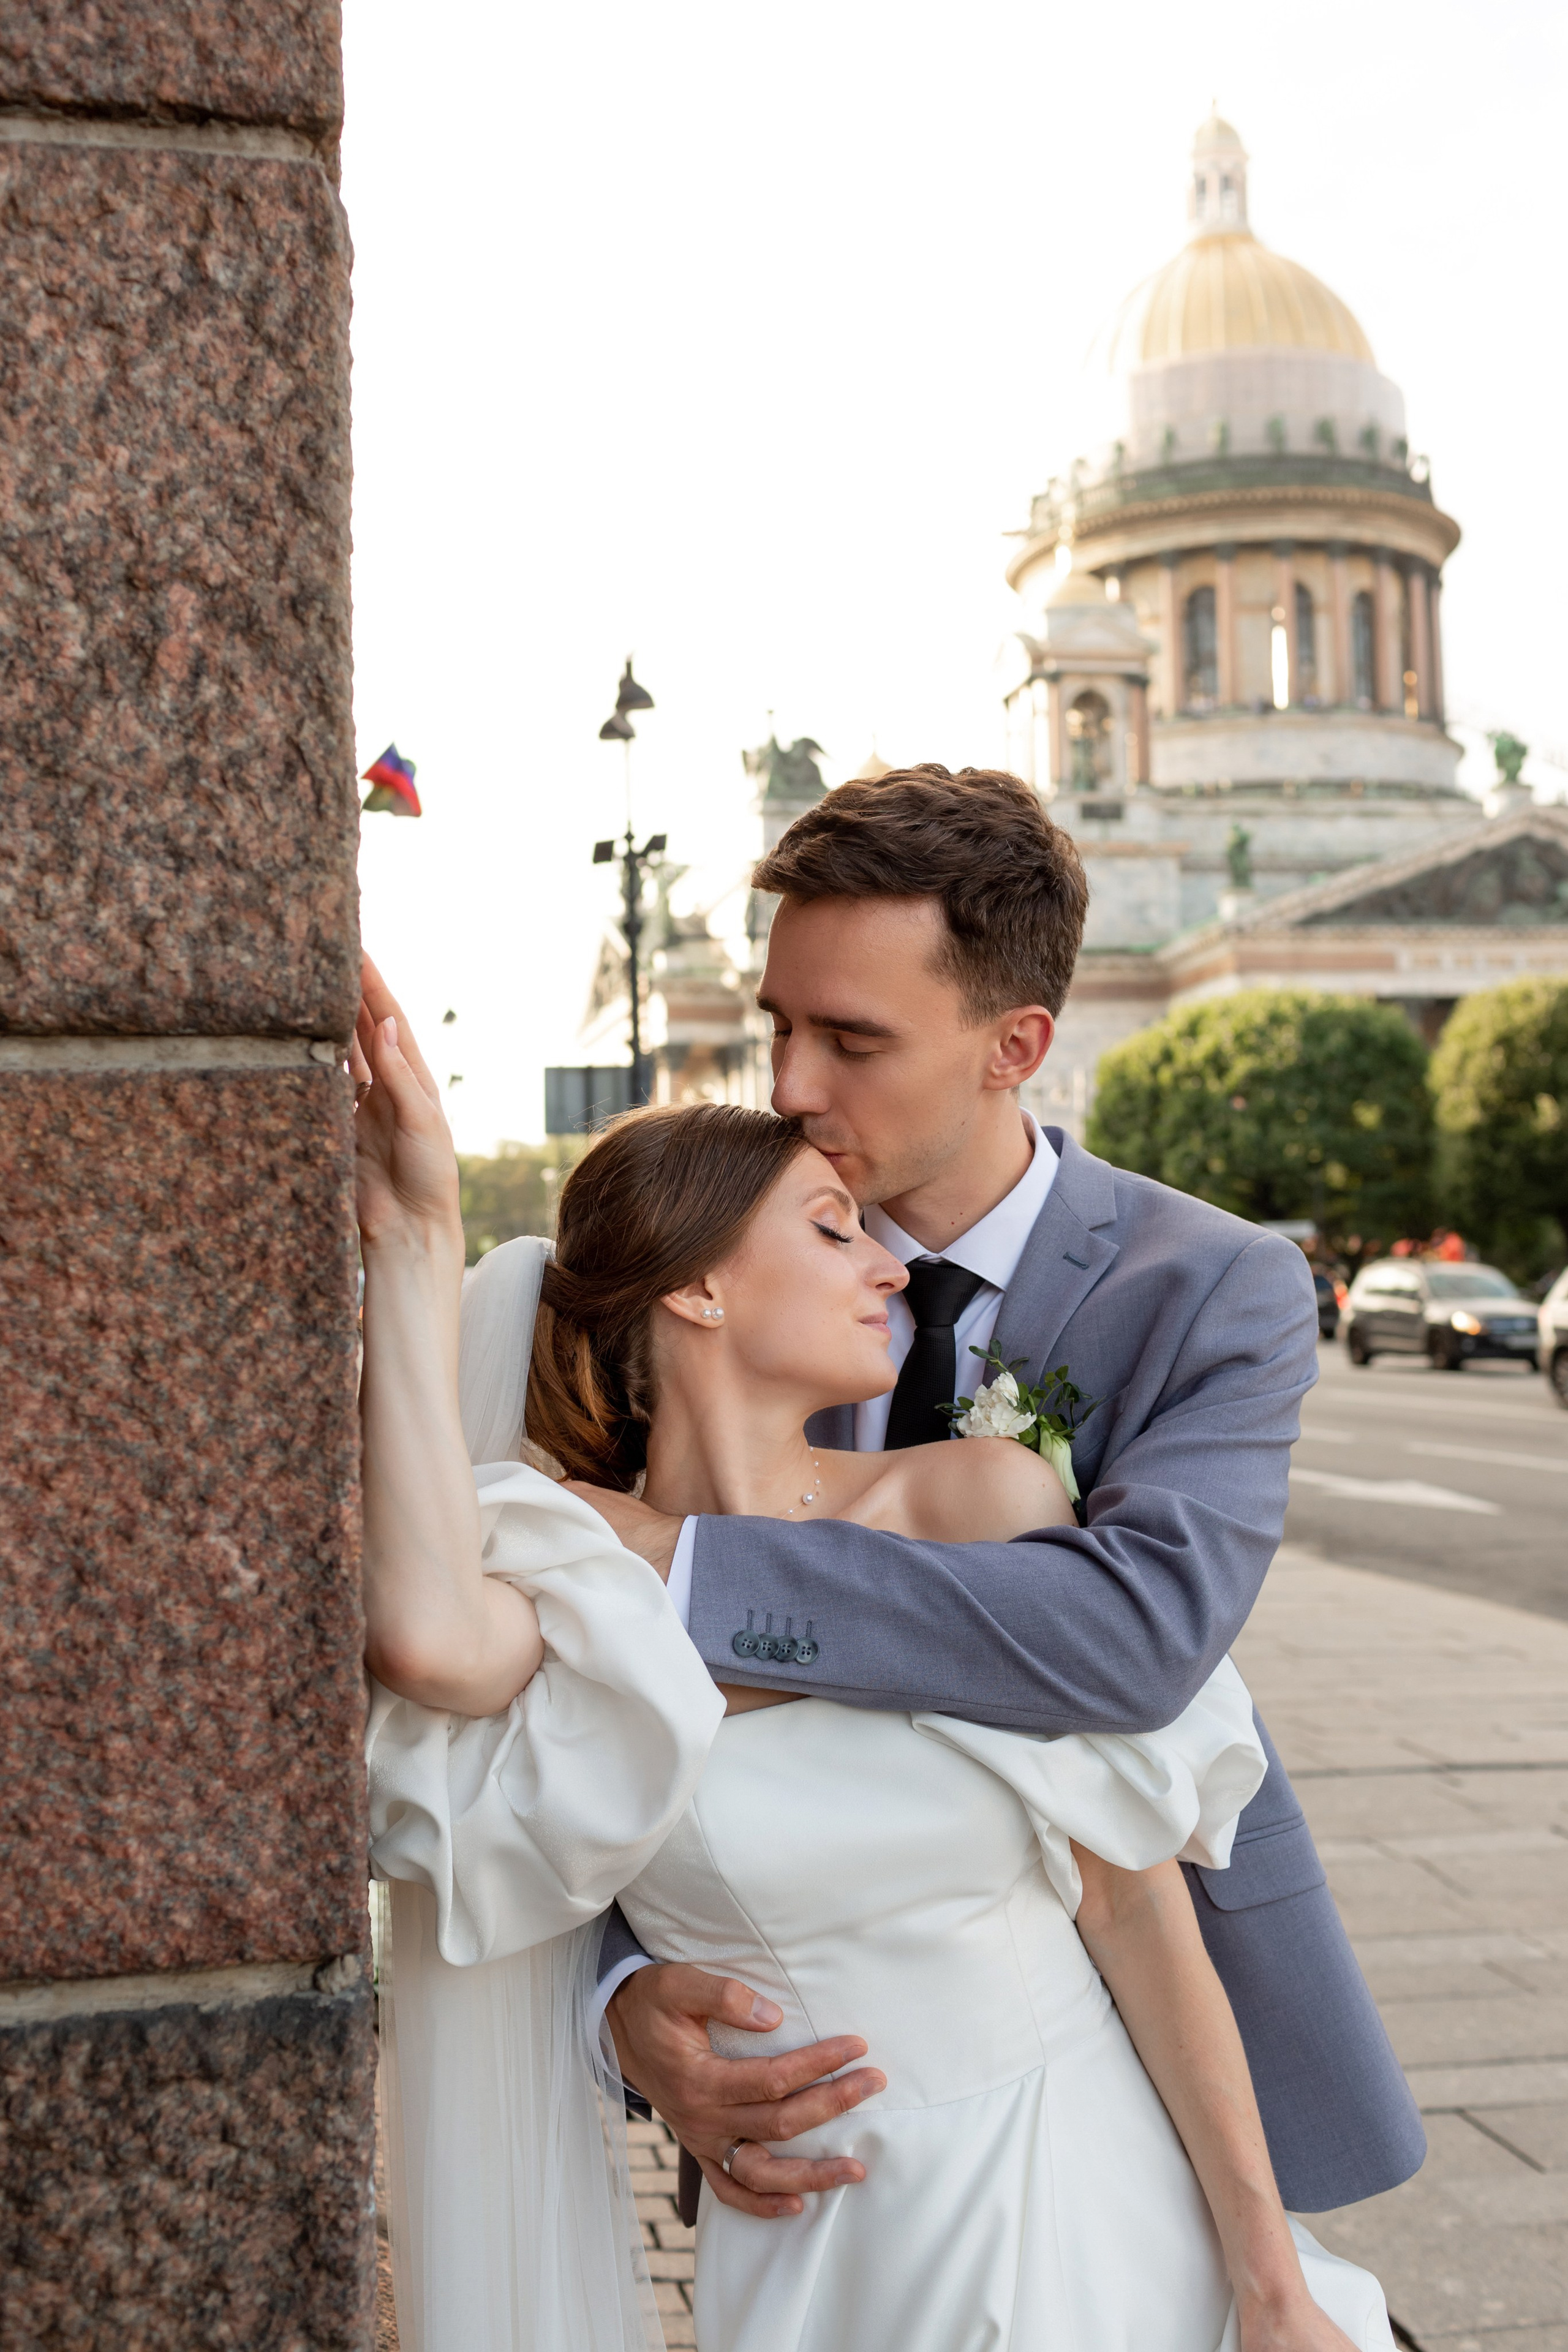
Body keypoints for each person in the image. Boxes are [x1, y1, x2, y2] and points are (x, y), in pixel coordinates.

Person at [355, 971, 1393, 2350]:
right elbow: (424, 1638)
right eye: (832, 1229)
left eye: (847, 1037)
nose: (888, 1267)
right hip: (814, 2247)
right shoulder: (563, 1563)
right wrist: (418, 1229)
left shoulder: (977, 1499)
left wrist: (1266, 2278)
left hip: (1082, 2203)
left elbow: (1131, 1911)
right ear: (704, 1291)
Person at [573, 766, 1424, 2227]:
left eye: (850, 1039)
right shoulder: (704, 1271)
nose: (786, 1086)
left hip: (1156, 2033)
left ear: (1012, 1044)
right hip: (829, 2103)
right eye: (781, 1024)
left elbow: (1135, 1641)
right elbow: (577, 1714)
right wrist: (622, 1996)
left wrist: (681, 1577)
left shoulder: (1213, 1286)